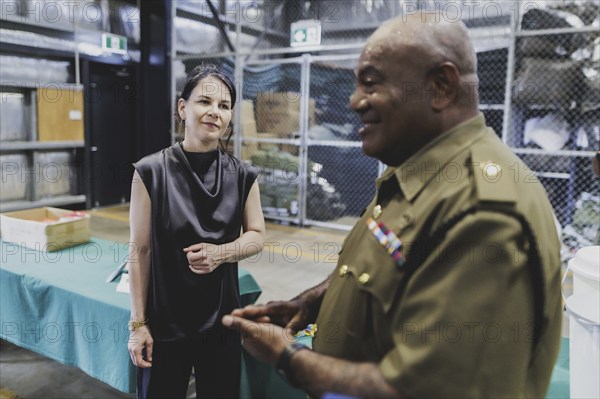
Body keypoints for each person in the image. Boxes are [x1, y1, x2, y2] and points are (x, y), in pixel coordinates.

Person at [222, 11, 562, 399]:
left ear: (441, 87)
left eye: (370, 83)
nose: (354, 102)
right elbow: (388, 265)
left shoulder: (483, 211)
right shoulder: (419, 173)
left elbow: (426, 389)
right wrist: (312, 301)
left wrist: (286, 357)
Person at [127, 64, 265, 398]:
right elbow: (139, 250)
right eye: (205, 101)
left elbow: (257, 236)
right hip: (164, 323)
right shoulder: (150, 172)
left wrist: (222, 252)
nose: (215, 112)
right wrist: (138, 324)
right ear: (182, 107)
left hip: (221, 322)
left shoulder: (243, 175)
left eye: (224, 106)